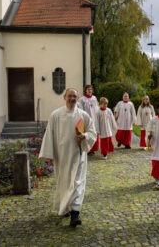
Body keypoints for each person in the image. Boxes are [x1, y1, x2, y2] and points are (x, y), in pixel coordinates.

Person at [39, 88, 97, 227]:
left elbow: (92, 132)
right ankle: (64, 207)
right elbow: (49, 135)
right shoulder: (56, 115)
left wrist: (85, 136)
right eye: (69, 96)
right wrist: (49, 155)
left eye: (74, 96)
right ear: (64, 97)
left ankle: (75, 214)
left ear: (77, 99)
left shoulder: (83, 115)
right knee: (64, 182)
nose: (72, 98)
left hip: (78, 155)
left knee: (77, 183)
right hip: (62, 156)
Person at [77, 84, 99, 155]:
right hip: (86, 119)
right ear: (85, 91)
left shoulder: (94, 98)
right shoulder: (82, 99)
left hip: (94, 119)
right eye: (88, 89)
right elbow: (80, 109)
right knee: (88, 133)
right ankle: (88, 149)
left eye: (91, 89)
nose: (90, 91)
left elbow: (97, 107)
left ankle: (93, 149)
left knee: (93, 132)